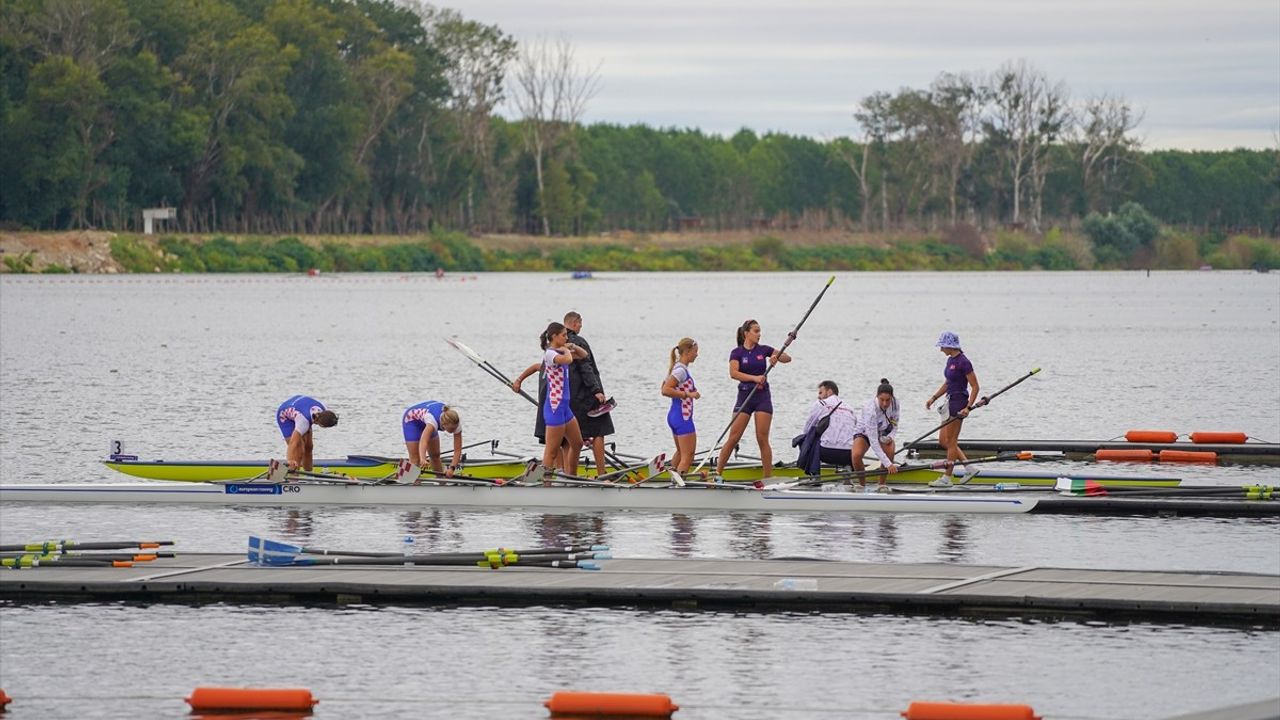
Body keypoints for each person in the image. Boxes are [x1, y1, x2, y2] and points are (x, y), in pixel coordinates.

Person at [715, 319, 791, 482]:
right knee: (733, 437)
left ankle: (768, 478)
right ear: (746, 333)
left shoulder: (763, 350)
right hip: (744, 397)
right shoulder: (737, 353)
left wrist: (776, 358)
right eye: (756, 331)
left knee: (762, 438)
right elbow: (734, 373)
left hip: (762, 398)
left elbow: (787, 358)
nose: (759, 334)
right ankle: (717, 475)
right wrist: (755, 378)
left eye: (759, 331)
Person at [513, 322, 589, 476]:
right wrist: (566, 351)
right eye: (564, 335)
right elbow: (567, 360)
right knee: (551, 452)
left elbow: (584, 355)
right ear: (554, 336)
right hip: (554, 408)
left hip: (565, 408)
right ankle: (545, 484)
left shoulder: (561, 351)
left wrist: (572, 346)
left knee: (577, 444)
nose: (566, 337)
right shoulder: (550, 354)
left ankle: (572, 478)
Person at [564, 311, 616, 476]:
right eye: (580, 323)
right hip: (585, 394)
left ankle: (566, 473)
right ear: (573, 323)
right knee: (599, 430)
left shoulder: (557, 343)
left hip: (567, 397)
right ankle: (602, 473)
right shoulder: (578, 342)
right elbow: (586, 367)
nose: (581, 326)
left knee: (566, 437)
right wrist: (597, 390)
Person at [925, 332, 980, 486]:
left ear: (950, 346)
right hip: (949, 402)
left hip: (959, 402)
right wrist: (934, 398)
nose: (941, 349)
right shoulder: (950, 360)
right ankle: (969, 467)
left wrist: (968, 407)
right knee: (944, 441)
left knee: (951, 441)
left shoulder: (964, 362)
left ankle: (947, 478)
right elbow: (948, 383)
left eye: (942, 346)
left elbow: (975, 386)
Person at [796, 380, 858, 477]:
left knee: (806, 437)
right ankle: (847, 467)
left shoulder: (821, 404)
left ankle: (814, 473)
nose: (819, 396)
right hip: (849, 454)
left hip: (827, 452)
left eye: (821, 393)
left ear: (829, 392)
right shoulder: (850, 408)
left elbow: (808, 428)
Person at [850, 378, 900, 492]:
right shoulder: (870, 410)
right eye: (882, 400)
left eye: (888, 400)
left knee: (890, 452)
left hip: (883, 432)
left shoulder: (896, 403)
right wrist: (888, 464)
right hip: (864, 432)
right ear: (877, 397)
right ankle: (862, 485)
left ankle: (881, 484)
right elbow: (873, 442)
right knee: (856, 456)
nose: (885, 403)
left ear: (892, 397)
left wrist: (890, 437)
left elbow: (895, 424)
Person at [661, 338, 701, 474]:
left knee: (680, 452)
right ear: (688, 351)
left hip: (675, 416)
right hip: (682, 418)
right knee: (688, 456)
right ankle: (678, 487)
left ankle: (672, 481)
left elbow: (664, 386)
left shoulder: (676, 368)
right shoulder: (681, 371)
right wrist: (688, 394)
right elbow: (665, 390)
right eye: (695, 351)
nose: (697, 354)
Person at [402, 401, 463, 480]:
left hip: (427, 420)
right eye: (451, 429)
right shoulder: (432, 422)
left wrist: (452, 468)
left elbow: (458, 450)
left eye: (455, 428)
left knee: (435, 455)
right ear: (444, 424)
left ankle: (441, 483)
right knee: (415, 459)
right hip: (412, 421)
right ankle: (410, 483)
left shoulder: (455, 423)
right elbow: (423, 441)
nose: (453, 431)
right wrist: (423, 458)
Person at [276, 395, 338, 471]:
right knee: (298, 450)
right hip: (285, 416)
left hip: (300, 406)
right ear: (321, 424)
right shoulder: (304, 422)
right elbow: (293, 443)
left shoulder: (324, 410)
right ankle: (294, 478)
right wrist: (290, 460)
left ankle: (309, 475)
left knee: (309, 446)